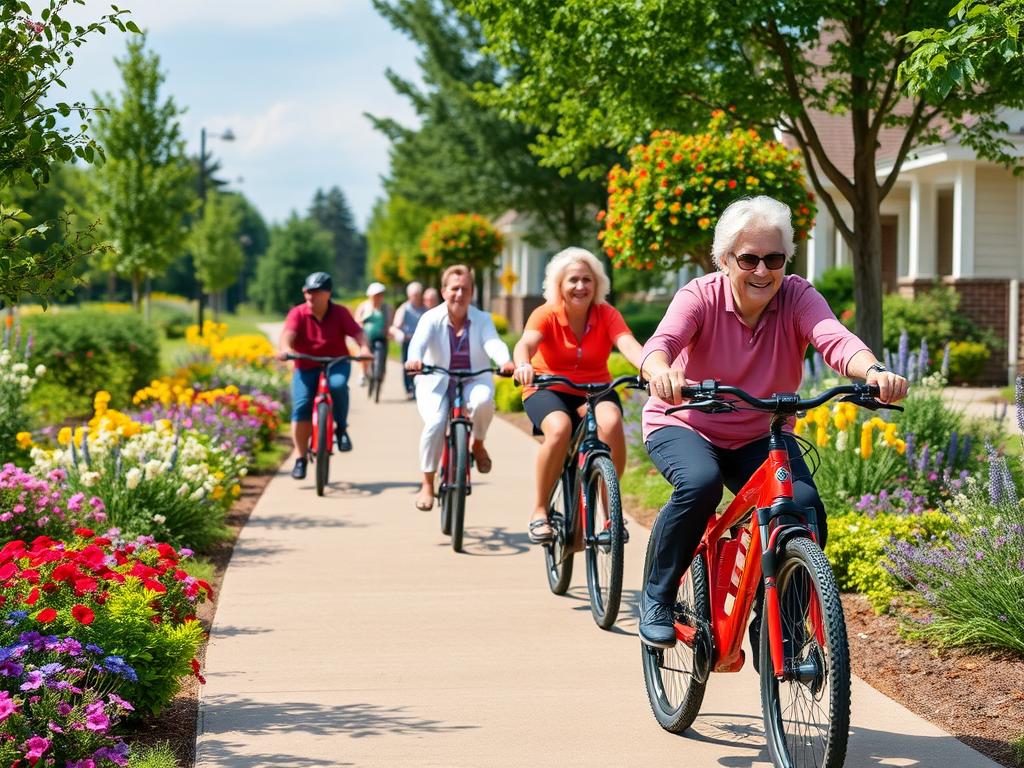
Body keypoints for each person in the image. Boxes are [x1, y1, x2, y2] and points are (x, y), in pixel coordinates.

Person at [636, 195, 909, 649]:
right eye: (749, 259)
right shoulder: (699, 296)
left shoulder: (798, 295)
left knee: (804, 507)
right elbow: (661, 342)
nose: (762, 271)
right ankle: (658, 597)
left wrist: (874, 371)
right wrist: (661, 371)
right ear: (725, 260)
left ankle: (779, 622)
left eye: (774, 258)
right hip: (685, 422)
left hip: (761, 432)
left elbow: (834, 339)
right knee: (701, 485)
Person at [512, 247, 644, 544]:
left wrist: (652, 368)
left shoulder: (606, 314)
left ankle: (611, 512)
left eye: (587, 280)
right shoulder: (545, 314)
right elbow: (526, 343)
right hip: (547, 387)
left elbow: (629, 344)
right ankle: (539, 510)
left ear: (597, 285)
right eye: (573, 280)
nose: (580, 286)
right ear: (559, 285)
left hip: (595, 390)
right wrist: (523, 364)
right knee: (559, 428)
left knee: (610, 424)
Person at [405, 265, 516, 511]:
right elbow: (417, 344)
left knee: (483, 401)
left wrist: (505, 362)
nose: (459, 294)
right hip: (436, 379)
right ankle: (427, 483)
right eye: (454, 288)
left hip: (473, 378)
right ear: (444, 291)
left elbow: (493, 343)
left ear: (472, 292)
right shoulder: (430, 318)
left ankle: (477, 444)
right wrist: (415, 360)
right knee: (435, 422)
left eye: (465, 289)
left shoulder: (482, 319)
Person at [279, 271, 371, 480]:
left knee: (338, 386)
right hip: (305, 364)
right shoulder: (298, 313)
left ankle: (341, 428)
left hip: (336, 363)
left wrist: (364, 349)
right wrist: (285, 349)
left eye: (316, 292)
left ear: (328, 294)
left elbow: (357, 333)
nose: (311, 296)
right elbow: (288, 335)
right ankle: (301, 458)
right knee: (302, 406)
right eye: (308, 292)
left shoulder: (340, 313)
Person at [390, 281, 427, 399]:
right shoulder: (404, 308)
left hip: (422, 341)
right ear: (409, 296)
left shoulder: (425, 309)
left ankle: (419, 387)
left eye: (418, 295)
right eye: (414, 295)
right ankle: (409, 388)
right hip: (408, 340)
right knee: (407, 364)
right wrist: (399, 332)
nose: (416, 298)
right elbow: (397, 324)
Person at [355, 282, 393, 386]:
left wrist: (387, 330)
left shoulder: (387, 308)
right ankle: (363, 373)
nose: (378, 297)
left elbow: (389, 322)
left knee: (382, 356)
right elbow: (357, 320)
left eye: (380, 295)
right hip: (366, 337)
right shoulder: (363, 306)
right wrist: (362, 323)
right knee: (364, 353)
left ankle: (380, 374)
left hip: (381, 337)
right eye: (376, 295)